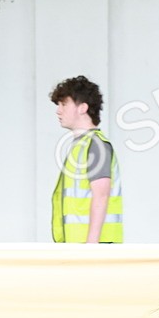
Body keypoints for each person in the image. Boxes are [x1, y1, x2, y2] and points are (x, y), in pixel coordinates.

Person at [49, 75, 123, 243]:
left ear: (82, 108)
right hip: (80, 247)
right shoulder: (81, 146)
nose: (58, 111)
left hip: (93, 248)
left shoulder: (95, 145)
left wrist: (91, 246)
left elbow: (101, 194)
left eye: (64, 104)